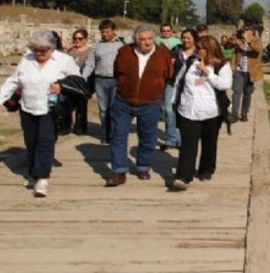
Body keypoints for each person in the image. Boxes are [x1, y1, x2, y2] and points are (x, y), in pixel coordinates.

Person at [0, 30, 81, 197]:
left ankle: (42, 179)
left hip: (51, 108)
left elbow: (77, 80)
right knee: (31, 143)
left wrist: (62, 86)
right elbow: (13, 80)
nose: (38, 53)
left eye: (43, 50)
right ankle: (34, 174)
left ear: (52, 47)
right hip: (28, 107)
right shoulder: (27, 59)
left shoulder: (64, 60)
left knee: (45, 142)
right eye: (35, 49)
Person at [105, 24, 173, 187]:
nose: (147, 43)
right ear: (136, 41)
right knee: (118, 136)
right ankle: (119, 171)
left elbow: (169, 74)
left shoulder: (163, 54)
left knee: (148, 137)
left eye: (150, 39)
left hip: (150, 103)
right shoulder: (124, 52)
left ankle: (143, 166)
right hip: (123, 101)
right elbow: (117, 73)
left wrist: (156, 88)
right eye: (142, 40)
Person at [170, 35, 232, 190]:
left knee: (209, 143)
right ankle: (183, 177)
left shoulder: (222, 65)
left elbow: (225, 85)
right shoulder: (191, 62)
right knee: (188, 144)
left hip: (211, 112)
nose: (196, 50)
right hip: (188, 110)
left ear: (209, 49)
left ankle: (206, 170)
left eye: (200, 48)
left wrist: (207, 73)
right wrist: (173, 103)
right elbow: (179, 81)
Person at [82, 19, 125, 143]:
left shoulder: (121, 44)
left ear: (113, 31)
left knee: (114, 109)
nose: (105, 34)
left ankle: (114, 133)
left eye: (107, 32)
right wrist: (83, 78)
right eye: (103, 32)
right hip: (100, 81)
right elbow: (90, 63)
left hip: (116, 81)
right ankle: (106, 133)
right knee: (103, 109)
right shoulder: (96, 46)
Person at [160, 28, 198, 151]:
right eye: (184, 38)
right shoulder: (176, 51)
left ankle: (181, 140)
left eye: (189, 38)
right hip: (172, 84)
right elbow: (166, 66)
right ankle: (171, 139)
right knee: (169, 110)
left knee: (183, 113)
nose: (186, 40)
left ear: (194, 39)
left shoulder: (199, 53)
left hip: (188, 88)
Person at [230, 23, 263, 122]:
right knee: (237, 91)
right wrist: (234, 36)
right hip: (239, 70)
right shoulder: (239, 40)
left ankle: (244, 114)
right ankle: (234, 115)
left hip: (250, 72)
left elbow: (258, 50)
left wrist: (248, 41)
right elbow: (228, 43)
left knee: (247, 94)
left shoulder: (257, 41)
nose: (245, 31)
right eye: (244, 29)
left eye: (247, 29)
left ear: (252, 31)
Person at [66, 28, 91, 135]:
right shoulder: (70, 51)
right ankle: (66, 125)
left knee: (81, 103)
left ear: (85, 39)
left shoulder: (90, 51)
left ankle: (80, 128)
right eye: (75, 38)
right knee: (68, 103)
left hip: (83, 80)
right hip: (70, 79)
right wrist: (66, 49)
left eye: (80, 39)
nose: (77, 41)